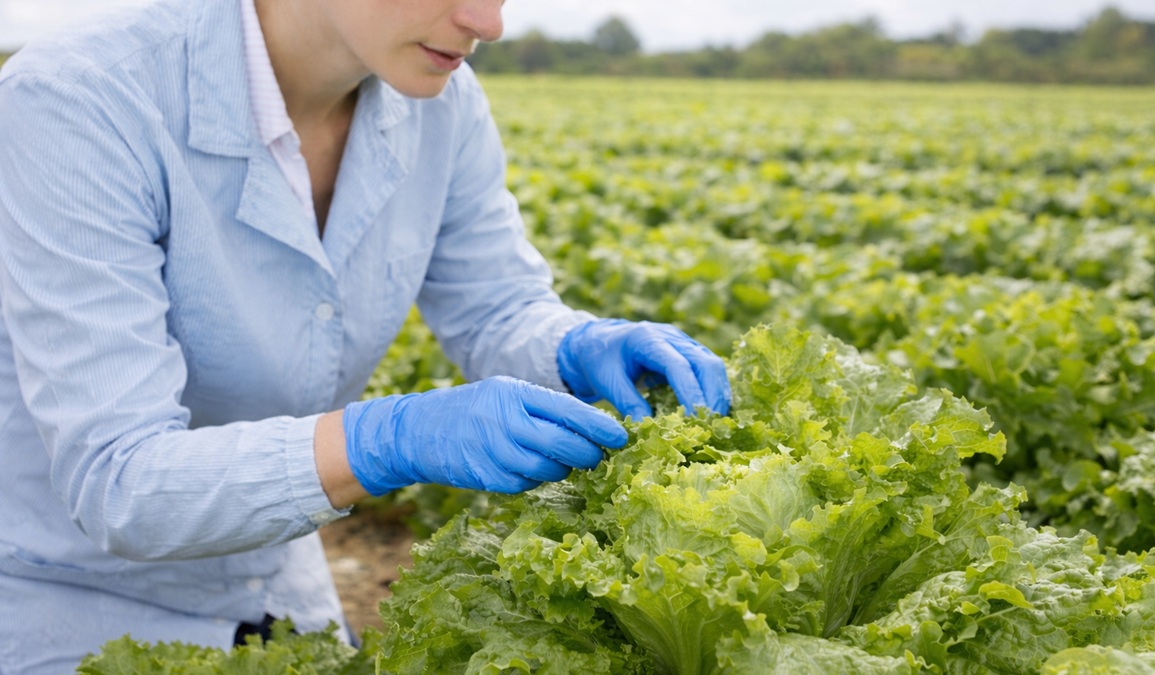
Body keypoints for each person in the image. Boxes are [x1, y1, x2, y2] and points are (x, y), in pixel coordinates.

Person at [0, 0, 731, 671]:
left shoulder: (439, 102)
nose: (488, 20)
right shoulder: (80, 99)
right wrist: (384, 438)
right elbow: (118, 480)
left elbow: (495, 307)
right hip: (70, 603)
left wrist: (573, 347)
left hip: (277, 577)